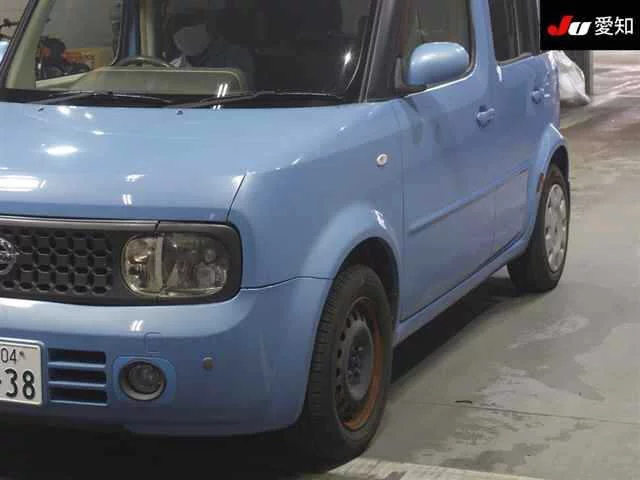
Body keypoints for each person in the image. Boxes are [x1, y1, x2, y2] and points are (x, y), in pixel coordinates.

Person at [166, 0, 255, 88]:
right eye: (177, 23)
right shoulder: (172, 68)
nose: (183, 29)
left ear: (211, 21)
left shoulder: (236, 58)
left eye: (189, 20)